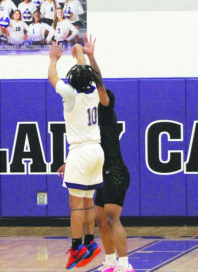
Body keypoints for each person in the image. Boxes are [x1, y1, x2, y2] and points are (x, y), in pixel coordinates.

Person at [47, 41, 104, 270]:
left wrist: (53, 59)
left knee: (76, 205)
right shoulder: (93, 91)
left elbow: (52, 77)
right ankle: (90, 242)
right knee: (88, 201)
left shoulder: (70, 94)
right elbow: (84, 70)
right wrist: (80, 51)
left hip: (80, 152)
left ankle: (76, 246)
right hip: (96, 151)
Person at [83, 35, 133, 272]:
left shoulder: (106, 110)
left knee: (113, 219)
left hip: (115, 173)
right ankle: (111, 261)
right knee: (101, 222)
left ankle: (125, 264)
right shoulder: (90, 122)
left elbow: (99, 83)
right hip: (100, 175)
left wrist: (90, 56)